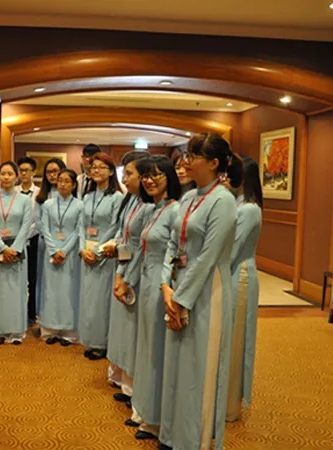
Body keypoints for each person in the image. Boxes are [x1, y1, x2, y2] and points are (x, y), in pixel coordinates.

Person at [158, 132, 238, 450]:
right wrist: (166, 284)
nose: (186, 162)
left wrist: (181, 299)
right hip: (178, 285)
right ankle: (172, 433)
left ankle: (194, 440)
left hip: (207, 291)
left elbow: (208, 256)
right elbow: (172, 242)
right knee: (176, 363)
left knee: (199, 367)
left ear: (214, 163)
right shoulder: (189, 197)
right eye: (186, 156)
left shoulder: (223, 201)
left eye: (193, 156)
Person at [128, 155, 181, 440]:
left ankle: (158, 418)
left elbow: (175, 254)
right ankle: (144, 410)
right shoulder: (152, 209)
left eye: (156, 175)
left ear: (169, 177)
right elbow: (140, 248)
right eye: (146, 175)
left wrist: (166, 285)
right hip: (146, 281)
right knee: (146, 346)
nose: (149, 180)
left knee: (157, 350)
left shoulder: (175, 210)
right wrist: (127, 278)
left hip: (162, 286)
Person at [106, 151, 152, 403]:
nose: (124, 178)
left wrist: (125, 277)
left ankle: (135, 386)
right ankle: (123, 378)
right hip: (124, 266)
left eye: (129, 173)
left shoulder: (149, 206)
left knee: (135, 330)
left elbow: (140, 247)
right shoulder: (131, 200)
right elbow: (123, 235)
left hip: (137, 271)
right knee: (123, 327)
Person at [223, 155, 263, 422]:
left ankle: (229, 406)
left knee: (236, 341)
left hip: (240, 275)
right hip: (231, 272)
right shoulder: (236, 203)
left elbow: (232, 249)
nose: (226, 178)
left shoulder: (249, 209)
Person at [78, 153, 124, 360]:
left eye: (101, 167)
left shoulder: (117, 198)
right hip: (86, 253)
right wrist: (82, 249)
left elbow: (115, 227)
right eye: (93, 167)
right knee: (88, 300)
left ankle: (102, 343)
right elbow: (80, 225)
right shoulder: (87, 197)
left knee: (101, 301)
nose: (96, 170)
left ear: (111, 172)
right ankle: (89, 339)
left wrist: (96, 251)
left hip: (104, 255)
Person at [0, 161, 32, 344]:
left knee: (17, 291)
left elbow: (26, 226)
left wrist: (15, 249)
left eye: (10, 174)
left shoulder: (24, 200)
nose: (6, 177)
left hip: (17, 250)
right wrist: (2, 248)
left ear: (16, 177)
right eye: (2, 174)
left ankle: (17, 332)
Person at [38, 169, 83, 345]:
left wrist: (64, 250)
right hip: (51, 253)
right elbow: (44, 228)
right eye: (60, 180)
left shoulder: (79, 205)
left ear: (74, 185)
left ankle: (68, 332)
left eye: (67, 181)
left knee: (69, 290)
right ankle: (50, 330)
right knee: (50, 290)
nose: (63, 184)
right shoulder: (48, 204)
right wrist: (54, 250)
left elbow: (78, 231)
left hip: (69, 254)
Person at [34, 158, 67, 329]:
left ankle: (64, 321)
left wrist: (63, 244)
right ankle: (45, 320)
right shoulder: (41, 197)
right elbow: (39, 222)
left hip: (66, 246)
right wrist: (52, 243)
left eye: (56, 171)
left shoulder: (71, 196)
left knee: (65, 283)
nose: (52, 175)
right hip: (46, 245)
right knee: (45, 282)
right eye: (49, 172)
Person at [15, 156, 41, 328]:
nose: (23, 173)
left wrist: (25, 234)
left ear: (34, 172)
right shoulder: (12, 191)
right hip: (13, 240)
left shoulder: (39, 193)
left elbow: (38, 219)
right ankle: (16, 312)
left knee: (32, 278)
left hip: (33, 238)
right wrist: (17, 237)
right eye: (21, 170)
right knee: (16, 277)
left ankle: (31, 314)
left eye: (27, 170)